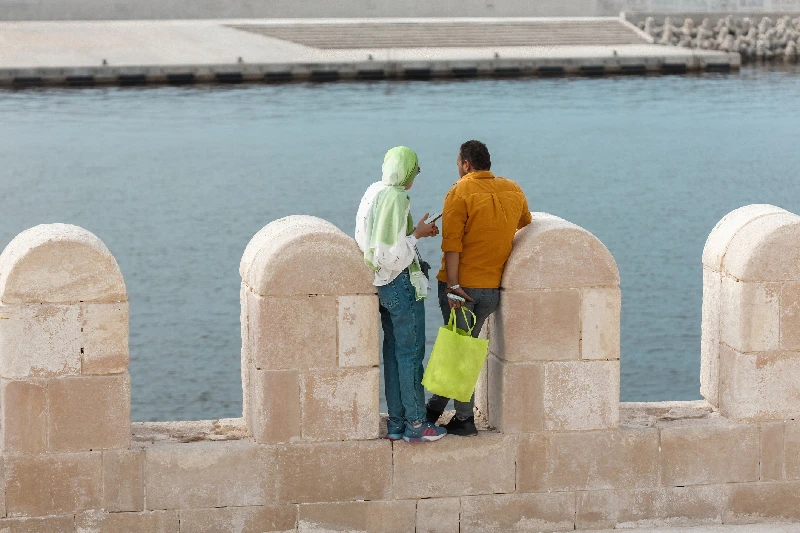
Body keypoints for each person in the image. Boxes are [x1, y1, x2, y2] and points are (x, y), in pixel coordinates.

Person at [426, 140, 532, 436]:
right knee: (460, 348)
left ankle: (463, 419)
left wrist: (453, 286)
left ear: (465, 165)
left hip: (462, 289)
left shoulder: (460, 191)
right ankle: (434, 408)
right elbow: (525, 220)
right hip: (491, 291)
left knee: (459, 352)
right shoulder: (512, 188)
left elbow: (452, 245)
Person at [355, 146, 447, 443]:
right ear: (408, 172)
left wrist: (416, 233)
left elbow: (369, 240)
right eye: (415, 171)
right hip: (400, 282)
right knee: (411, 354)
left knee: (394, 353)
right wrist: (417, 235)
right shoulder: (398, 198)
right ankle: (418, 424)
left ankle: (396, 422)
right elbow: (391, 255)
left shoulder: (374, 192)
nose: (414, 178)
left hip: (381, 285)